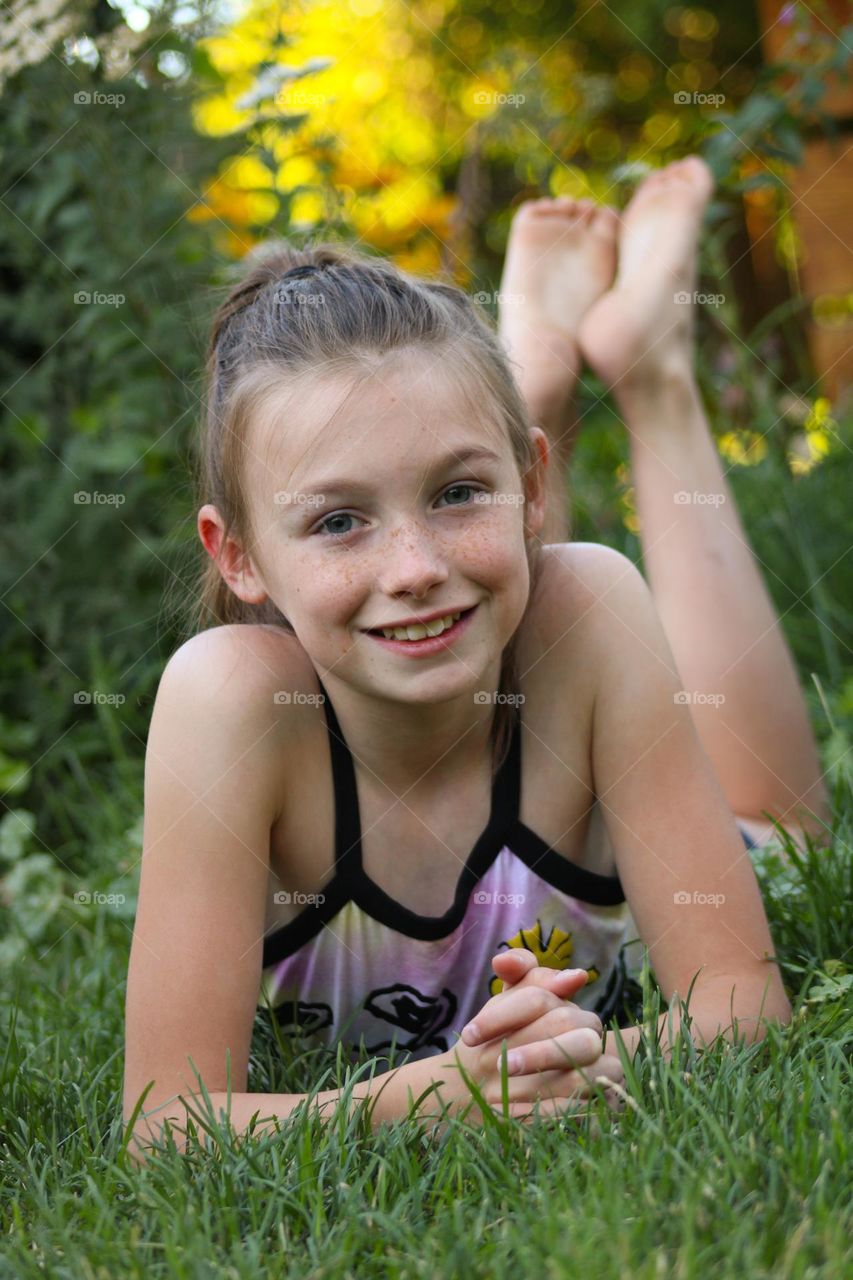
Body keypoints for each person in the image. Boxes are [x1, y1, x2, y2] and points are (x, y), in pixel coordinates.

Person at [122, 155, 830, 1160]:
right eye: (337, 520)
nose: (409, 568)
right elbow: (164, 1128)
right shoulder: (231, 706)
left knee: (785, 832)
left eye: (458, 491)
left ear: (532, 484)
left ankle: (649, 371)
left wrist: (563, 1064)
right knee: (495, 584)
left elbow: (745, 1007)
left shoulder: (585, 605)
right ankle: (528, 375)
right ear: (237, 555)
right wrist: (434, 1096)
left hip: (559, 634)